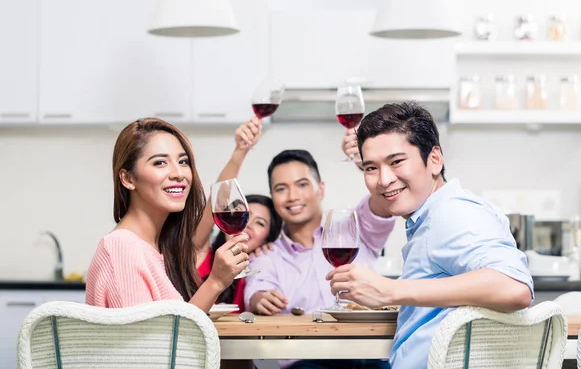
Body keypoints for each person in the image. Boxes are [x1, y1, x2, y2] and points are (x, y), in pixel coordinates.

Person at [327, 102, 534, 369]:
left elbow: (514, 287)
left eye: (397, 162)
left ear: (434, 159)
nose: (383, 179)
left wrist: (390, 290)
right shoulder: (431, 216)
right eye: (371, 168)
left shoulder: (451, 214)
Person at [244, 149, 396, 369]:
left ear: (321, 189)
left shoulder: (356, 228)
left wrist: (365, 165)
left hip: (370, 355)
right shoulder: (267, 256)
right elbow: (257, 290)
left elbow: (383, 201)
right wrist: (260, 299)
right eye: (281, 188)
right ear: (273, 197)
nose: (292, 196)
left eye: (302, 184)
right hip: (307, 362)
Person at [86, 118, 250, 312]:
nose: (179, 173)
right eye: (160, 162)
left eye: (183, 161)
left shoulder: (161, 248)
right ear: (128, 178)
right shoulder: (121, 247)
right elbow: (151, 341)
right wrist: (215, 282)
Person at [193, 117, 282, 313]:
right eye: (244, 214)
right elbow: (218, 198)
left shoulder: (257, 270)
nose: (247, 224)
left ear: (266, 238)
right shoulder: (198, 252)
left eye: (259, 223)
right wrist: (240, 151)